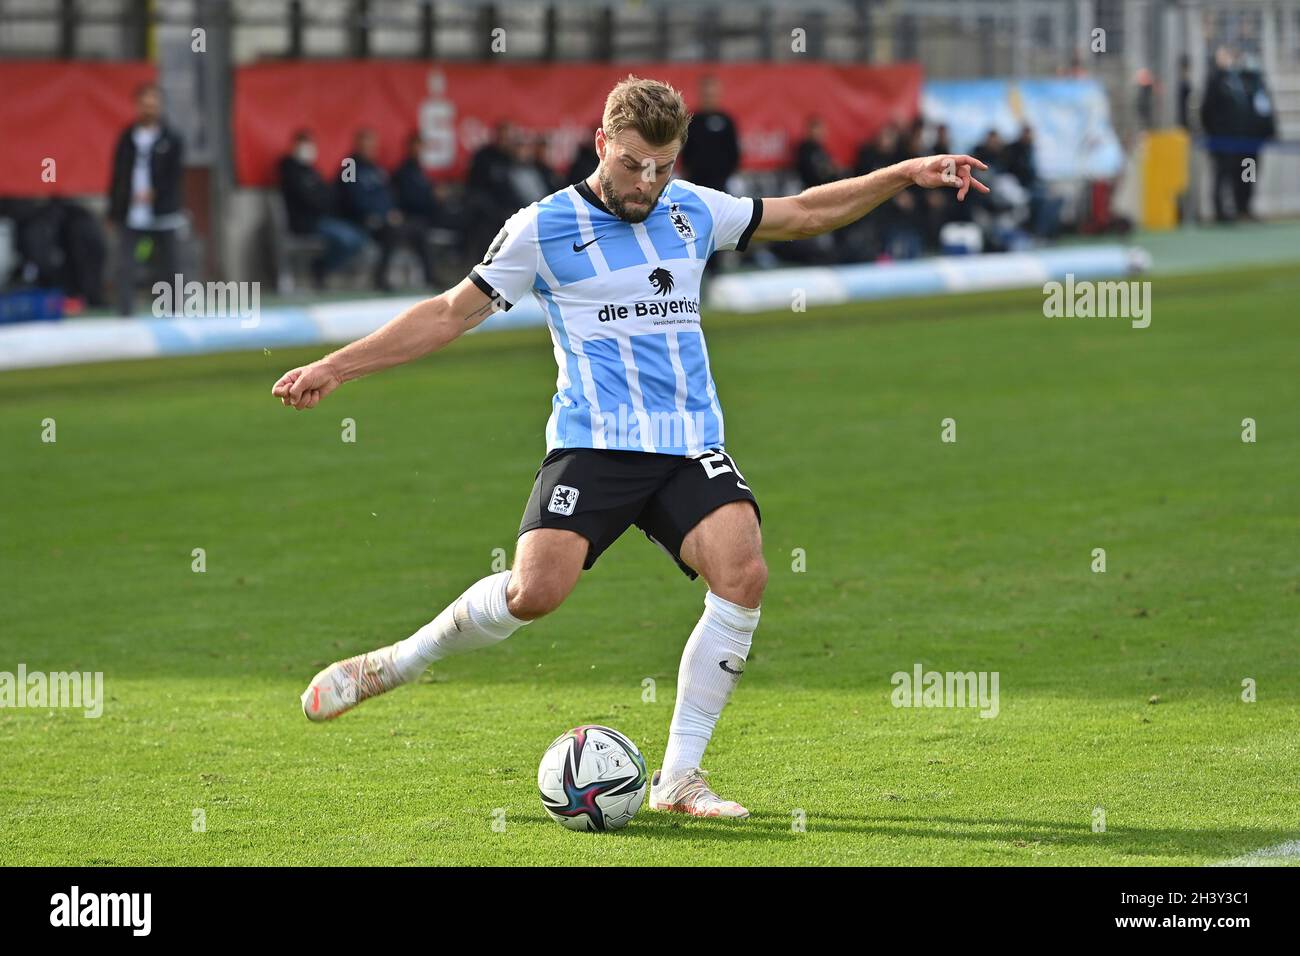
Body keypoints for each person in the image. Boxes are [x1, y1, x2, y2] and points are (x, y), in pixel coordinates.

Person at [273, 75, 987, 819]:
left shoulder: (691, 209)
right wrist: (336, 365)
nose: (648, 182)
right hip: (596, 441)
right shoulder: (540, 229)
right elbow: (449, 314)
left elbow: (804, 213)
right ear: (601, 145)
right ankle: (394, 663)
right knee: (534, 594)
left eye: (664, 165)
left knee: (743, 572)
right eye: (634, 164)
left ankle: (679, 778)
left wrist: (905, 173)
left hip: (687, 443)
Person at [107, 82, 184, 315]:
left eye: (153, 104)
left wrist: (156, 193)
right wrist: (114, 210)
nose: (149, 108)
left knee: (169, 266)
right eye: (145, 104)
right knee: (127, 265)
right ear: (137, 106)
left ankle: (173, 313)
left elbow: (174, 175)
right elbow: (118, 175)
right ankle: (126, 314)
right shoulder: (127, 138)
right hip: (133, 215)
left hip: (163, 214)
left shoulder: (172, 139)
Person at [337, 128, 434, 291]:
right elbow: (350, 196)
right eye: (366, 144)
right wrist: (378, 214)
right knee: (392, 232)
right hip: (362, 219)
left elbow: (387, 195)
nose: (370, 149)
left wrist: (392, 212)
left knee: (418, 229)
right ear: (357, 145)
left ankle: (429, 276)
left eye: (372, 145)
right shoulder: (350, 165)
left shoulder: (376, 168)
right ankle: (381, 278)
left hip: (387, 219)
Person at [278, 129, 368, 288]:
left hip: (324, 220)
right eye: (304, 144)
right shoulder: (290, 170)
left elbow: (328, 196)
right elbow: (309, 199)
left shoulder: (312, 171)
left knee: (359, 237)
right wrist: (322, 200)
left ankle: (325, 269)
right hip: (305, 222)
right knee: (348, 239)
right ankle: (321, 269)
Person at [680, 74, 740, 192]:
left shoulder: (726, 120)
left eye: (712, 95)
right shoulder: (691, 120)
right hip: (695, 182)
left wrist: (729, 174)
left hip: (721, 182)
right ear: (701, 95)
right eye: (706, 95)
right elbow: (685, 150)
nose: (709, 98)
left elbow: (733, 150)